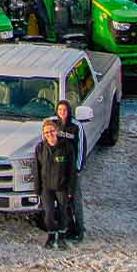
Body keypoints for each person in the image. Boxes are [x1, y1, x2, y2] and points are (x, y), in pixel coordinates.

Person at [34, 116, 76, 249]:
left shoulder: (66, 147)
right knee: (49, 214)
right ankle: (51, 236)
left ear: (56, 131)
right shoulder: (40, 148)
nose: (49, 134)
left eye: (51, 131)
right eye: (46, 133)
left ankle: (62, 237)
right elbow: (36, 170)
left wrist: (70, 190)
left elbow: (71, 171)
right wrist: (37, 189)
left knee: (63, 212)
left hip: (62, 186)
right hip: (46, 187)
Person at [53, 98, 86, 243]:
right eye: (60, 110)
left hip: (72, 169)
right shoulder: (53, 124)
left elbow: (81, 148)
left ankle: (79, 229)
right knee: (62, 200)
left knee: (75, 199)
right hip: (59, 169)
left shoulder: (76, 126)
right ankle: (67, 227)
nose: (62, 113)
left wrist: (77, 168)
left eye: (65, 110)